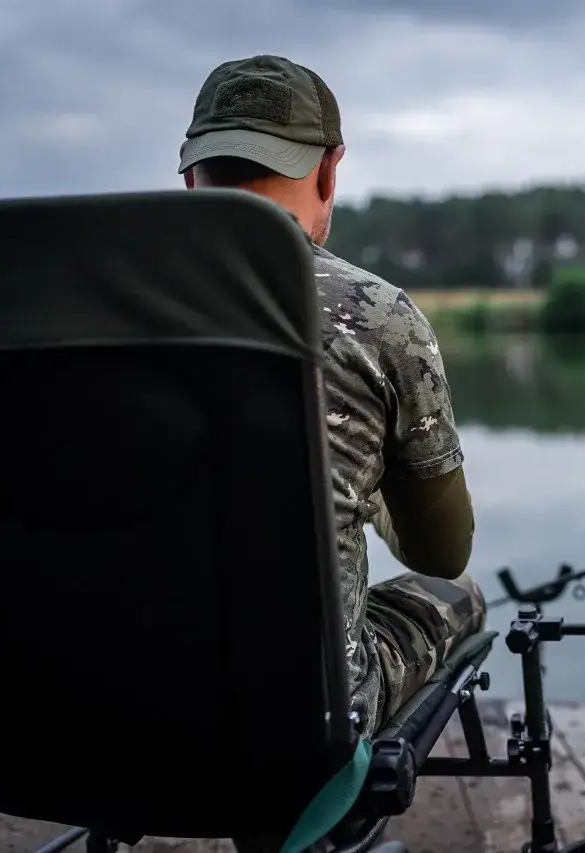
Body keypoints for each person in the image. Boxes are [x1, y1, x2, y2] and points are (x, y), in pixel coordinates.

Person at [178, 55, 485, 740]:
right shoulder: (374, 315)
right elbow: (442, 554)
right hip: (299, 720)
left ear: (192, 174)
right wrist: (364, 485)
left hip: (73, 702)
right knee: (457, 593)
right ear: (328, 170)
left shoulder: (73, 308)